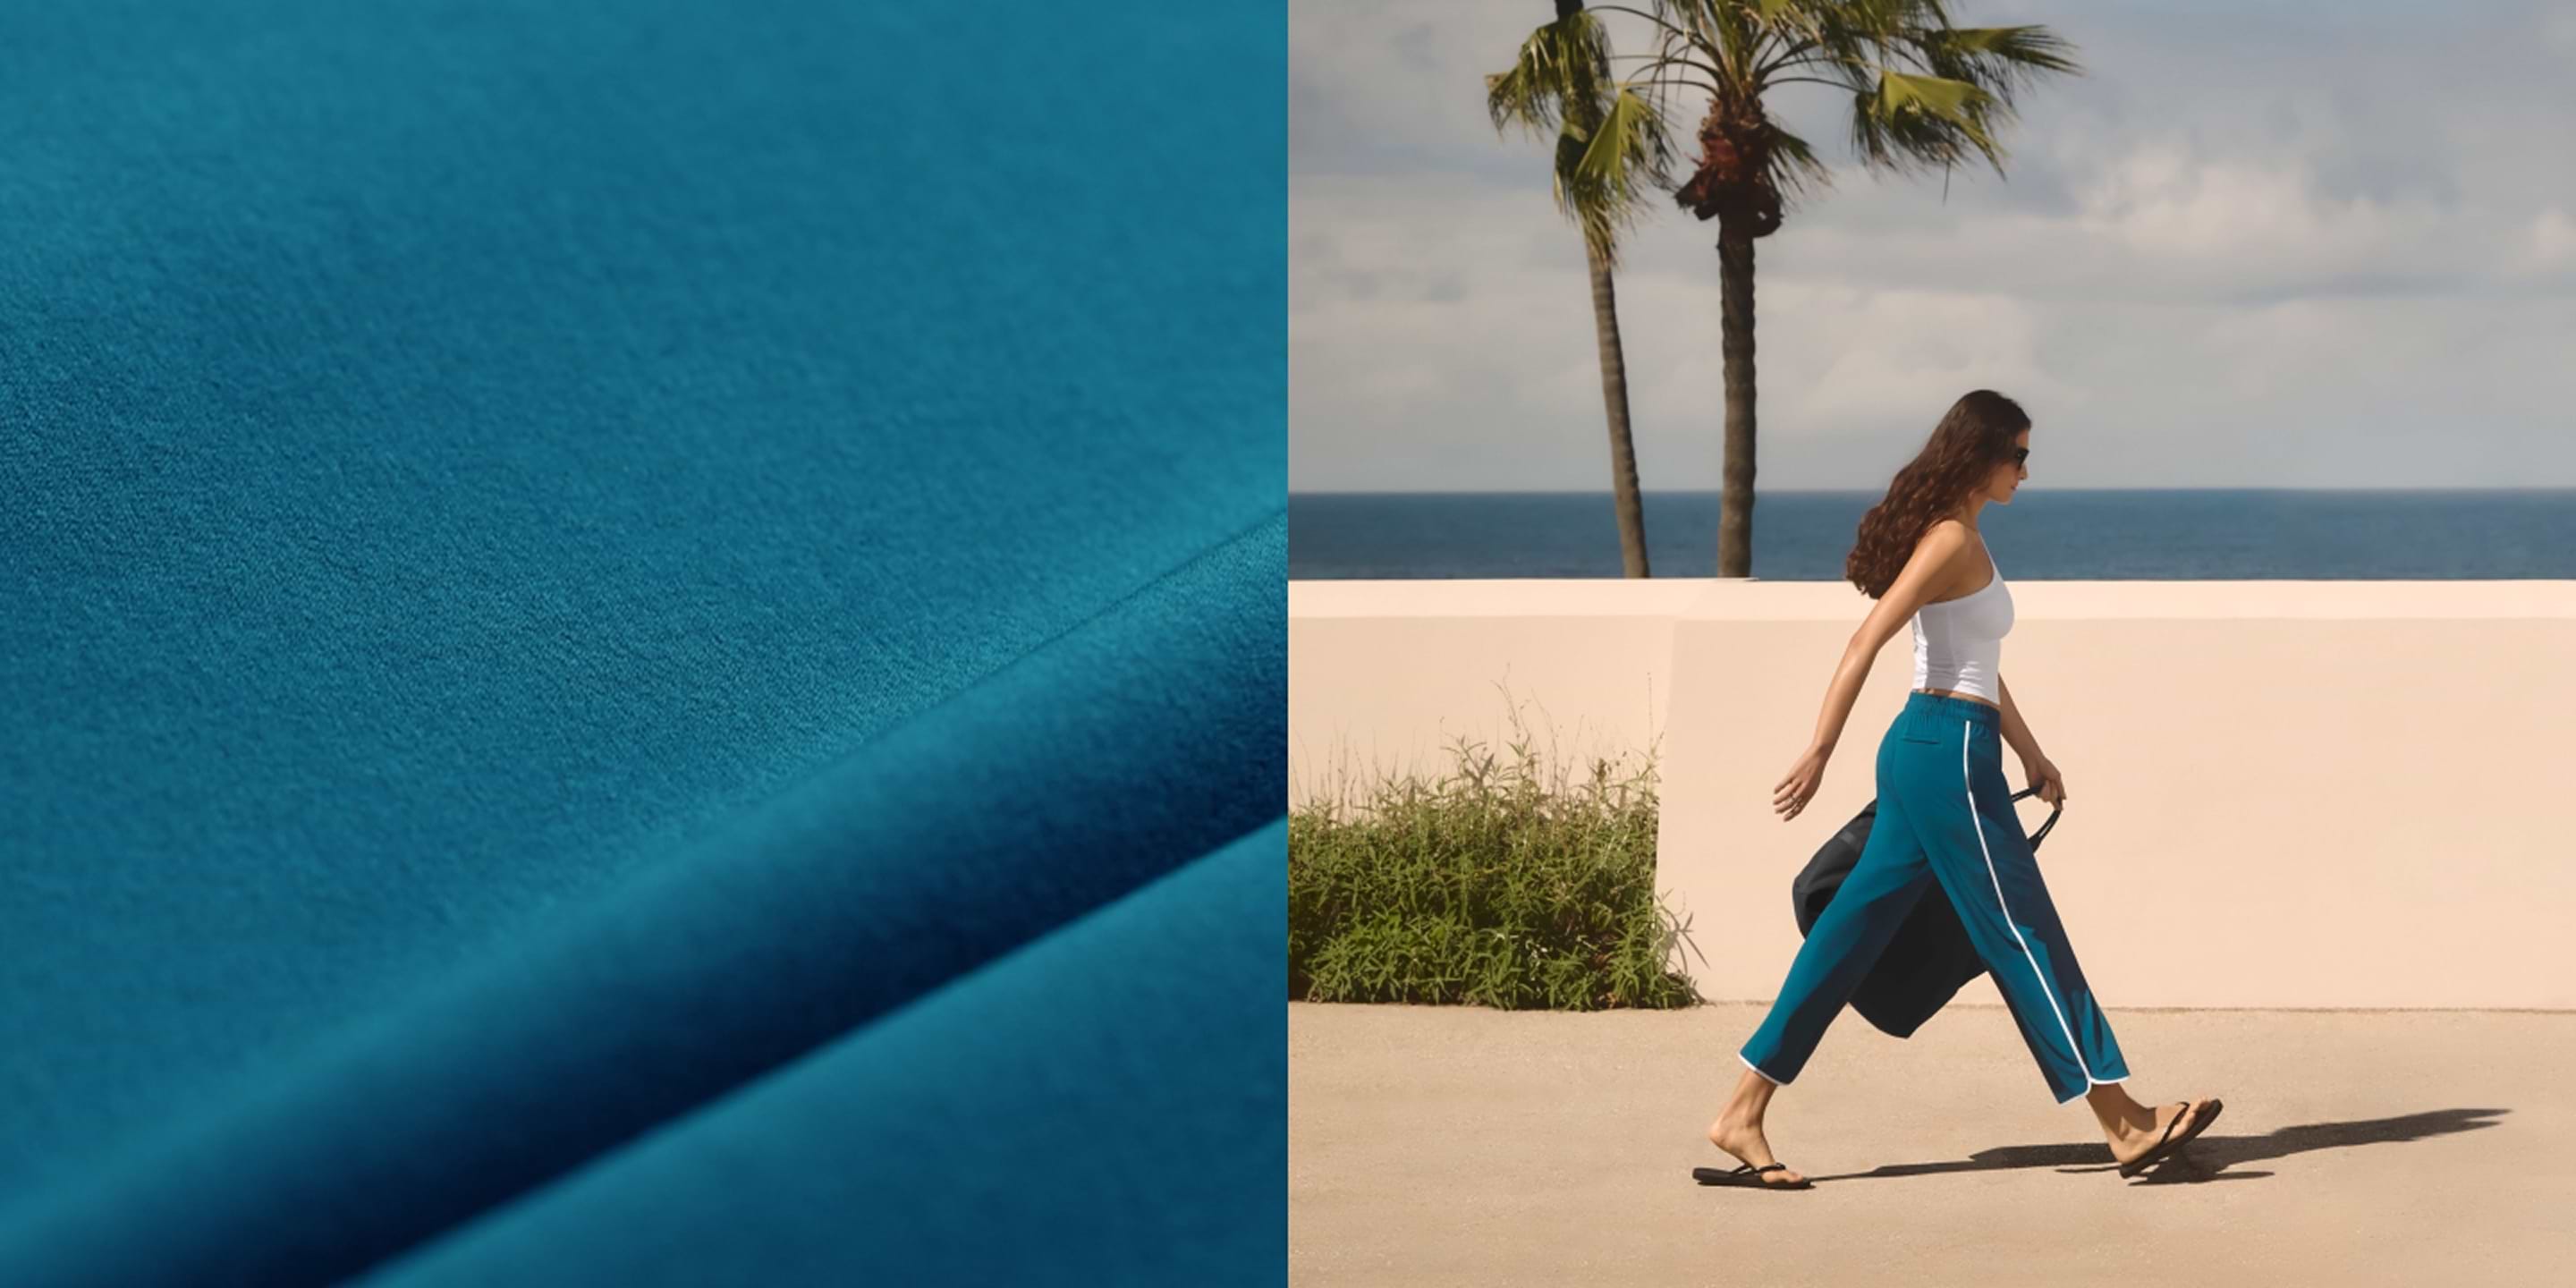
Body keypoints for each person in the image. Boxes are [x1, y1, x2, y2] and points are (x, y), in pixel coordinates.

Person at [1701, 390, 2224, 1189]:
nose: (2025, 470)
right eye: (2017, 455)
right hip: (1944, 753)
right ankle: (2124, 1123)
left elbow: (1978, 669)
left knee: (1848, 937)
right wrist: (1819, 749)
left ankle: (1742, 1111)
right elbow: (1867, 638)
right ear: (1980, 457)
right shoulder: (1948, 540)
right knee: (2025, 933)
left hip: (1947, 746)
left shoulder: (1963, 538)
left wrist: (2032, 754)